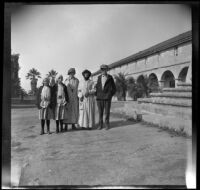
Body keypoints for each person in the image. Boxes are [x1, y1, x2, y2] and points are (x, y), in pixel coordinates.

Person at [95, 64, 116, 130]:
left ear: (107, 70)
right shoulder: (98, 77)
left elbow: (114, 88)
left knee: (107, 112)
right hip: (99, 98)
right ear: (101, 70)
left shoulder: (110, 77)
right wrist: (97, 94)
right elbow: (97, 87)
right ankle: (100, 125)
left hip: (107, 98)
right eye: (102, 69)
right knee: (100, 113)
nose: (103, 71)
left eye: (105, 69)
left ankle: (107, 124)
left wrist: (110, 95)